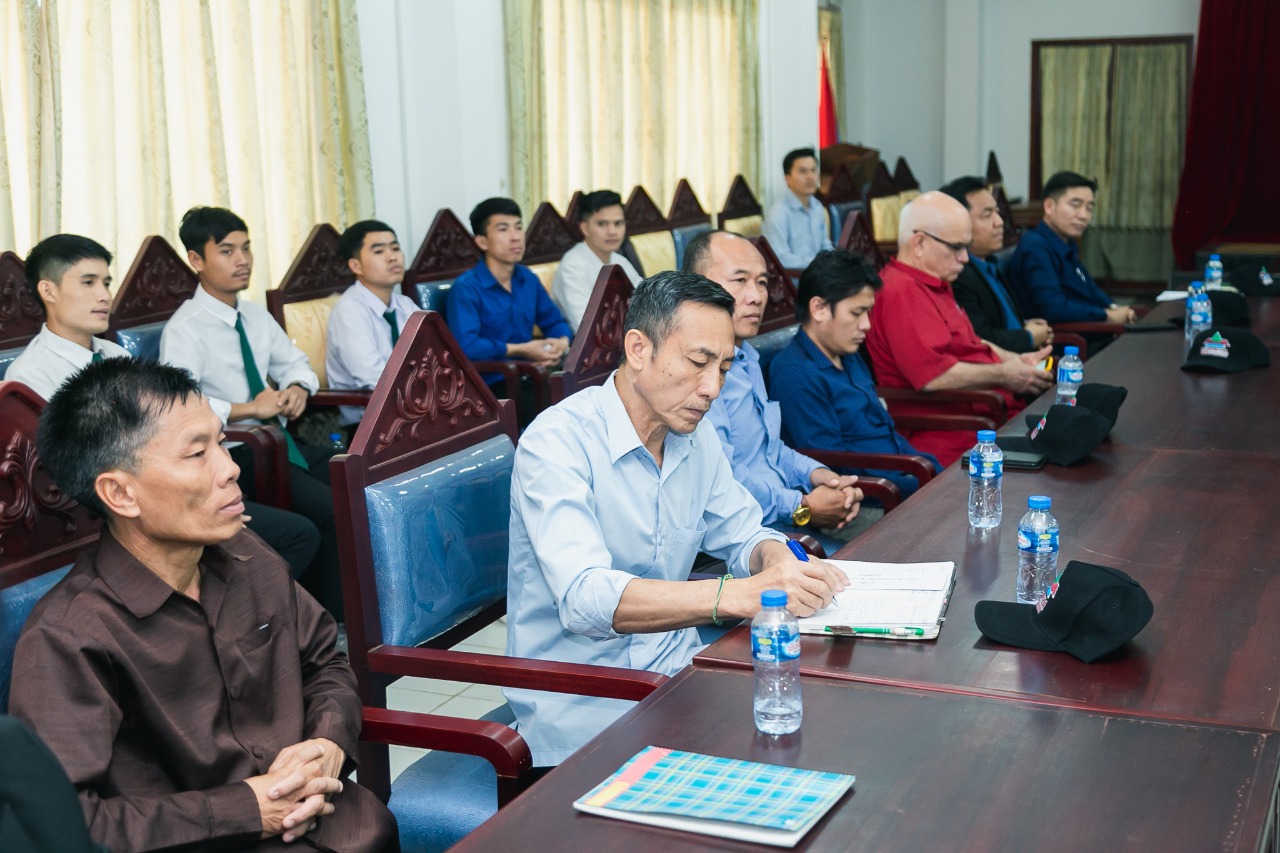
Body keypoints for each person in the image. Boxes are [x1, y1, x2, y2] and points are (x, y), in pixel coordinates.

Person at [10, 358, 397, 852]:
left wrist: (326, 743)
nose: (231, 468)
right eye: (197, 453)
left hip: (347, 831)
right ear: (120, 493)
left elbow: (325, 663)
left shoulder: (248, 556)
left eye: (221, 441)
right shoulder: (69, 636)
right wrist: (246, 810)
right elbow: (68, 824)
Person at [505, 270, 846, 767]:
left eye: (724, 368)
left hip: (679, 680)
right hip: (585, 710)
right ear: (639, 350)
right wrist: (738, 595)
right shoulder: (557, 443)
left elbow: (744, 532)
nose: (712, 389)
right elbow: (584, 597)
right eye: (697, 362)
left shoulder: (693, 435)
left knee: (825, 738)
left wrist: (777, 559)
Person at [9, 232, 320, 579]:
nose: (104, 295)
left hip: (168, 487)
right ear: (48, 290)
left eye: (106, 282)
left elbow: (168, 425)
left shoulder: (113, 353)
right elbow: (68, 472)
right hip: (120, 510)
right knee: (290, 537)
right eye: (88, 282)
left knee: (292, 535)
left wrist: (209, 493)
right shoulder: (29, 376)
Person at [161, 207, 343, 619]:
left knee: (352, 477)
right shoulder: (184, 329)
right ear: (196, 259)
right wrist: (250, 409)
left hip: (281, 442)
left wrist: (297, 388)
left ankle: (334, 605)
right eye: (227, 251)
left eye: (246, 248)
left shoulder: (256, 316)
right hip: (236, 452)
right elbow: (182, 405)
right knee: (329, 511)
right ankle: (328, 619)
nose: (242, 260)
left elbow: (296, 364)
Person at [682, 230, 868, 548]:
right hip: (746, 538)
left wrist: (818, 475)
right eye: (740, 280)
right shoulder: (694, 370)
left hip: (786, 520)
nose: (756, 296)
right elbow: (722, 477)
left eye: (762, 282)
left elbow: (770, 450)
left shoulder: (746, 357)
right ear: (697, 286)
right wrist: (802, 507)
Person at [864, 192, 1053, 466]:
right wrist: (1005, 374)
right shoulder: (901, 291)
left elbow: (972, 342)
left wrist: (1016, 360)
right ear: (919, 243)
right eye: (956, 247)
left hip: (989, 415)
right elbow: (933, 377)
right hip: (955, 431)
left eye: (966, 247)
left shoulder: (936, 281)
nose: (965, 258)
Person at [770, 249, 941, 497]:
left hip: (903, 474)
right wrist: (920, 483)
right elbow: (832, 466)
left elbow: (883, 430)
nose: (866, 325)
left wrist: (931, 470)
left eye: (867, 312)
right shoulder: (795, 373)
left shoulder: (847, 353)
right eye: (856, 312)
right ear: (819, 308)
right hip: (872, 495)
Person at [446, 197, 573, 419]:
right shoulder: (466, 288)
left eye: (518, 227)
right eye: (503, 229)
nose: (515, 236)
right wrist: (522, 349)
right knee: (562, 415)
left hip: (531, 376)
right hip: (488, 388)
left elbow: (555, 321)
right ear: (482, 241)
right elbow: (467, 346)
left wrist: (560, 343)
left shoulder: (527, 279)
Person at [939, 176, 1053, 353]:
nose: (999, 222)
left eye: (997, 212)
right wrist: (1028, 336)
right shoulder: (958, 274)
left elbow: (998, 320)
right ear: (958, 222)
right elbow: (979, 339)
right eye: (987, 215)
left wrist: (1025, 325)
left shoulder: (989, 263)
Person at [1005, 171, 1136, 324]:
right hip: (1067, 334)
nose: (1083, 215)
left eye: (1089, 208)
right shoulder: (1035, 248)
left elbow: (1089, 287)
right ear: (1049, 206)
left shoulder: (1066, 244)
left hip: (1089, 325)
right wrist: (1107, 316)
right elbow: (1054, 309)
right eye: (1075, 205)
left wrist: (1114, 307)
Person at [326, 219, 420, 427]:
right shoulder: (349, 312)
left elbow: (431, 357)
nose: (392, 256)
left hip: (413, 409)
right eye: (379, 251)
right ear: (356, 265)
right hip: (369, 425)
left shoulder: (406, 305)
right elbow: (373, 378)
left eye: (395, 248)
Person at [551, 190, 642, 332]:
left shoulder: (619, 260)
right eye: (603, 224)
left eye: (618, 223)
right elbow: (585, 325)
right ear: (585, 228)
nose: (612, 231)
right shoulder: (572, 266)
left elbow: (645, 301)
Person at [763, 147, 834, 268]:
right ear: (788, 178)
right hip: (795, 277)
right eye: (803, 171)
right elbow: (780, 258)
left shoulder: (817, 207)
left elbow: (825, 244)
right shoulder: (779, 213)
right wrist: (816, 264)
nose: (810, 177)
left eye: (813, 170)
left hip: (820, 273)